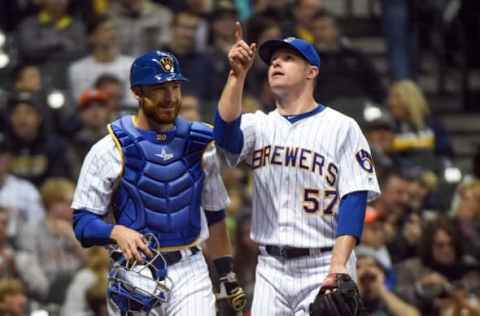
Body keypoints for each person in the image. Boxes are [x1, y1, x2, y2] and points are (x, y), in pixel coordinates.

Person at [214, 23, 381, 315]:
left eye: (288, 58)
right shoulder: (259, 124)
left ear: (311, 71)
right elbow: (225, 138)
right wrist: (236, 76)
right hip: (271, 266)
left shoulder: (342, 127)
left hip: (324, 260)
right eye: (272, 60)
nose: (276, 62)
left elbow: (354, 198)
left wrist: (339, 264)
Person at [71, 50, 246, 315]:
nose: (170, 97)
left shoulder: (200, 143)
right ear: (137, 92)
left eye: (175, 86)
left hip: (191, 267)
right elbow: (82, 222)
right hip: (135, 269)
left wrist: (227, 275)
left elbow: (215, 214)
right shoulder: (109, 147)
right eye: (159, 88)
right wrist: (115, 232)